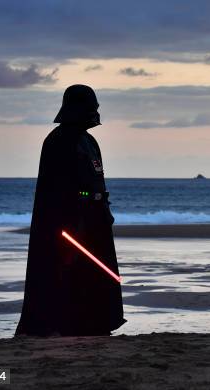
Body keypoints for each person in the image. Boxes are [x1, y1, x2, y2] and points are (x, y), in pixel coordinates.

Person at [16, 85, 125, 336]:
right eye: (91, 106)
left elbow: (96, 180)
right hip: (69, 223)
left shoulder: (89, 142)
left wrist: (101, 211)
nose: (96, 111)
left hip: (95, 219)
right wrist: (74, 218)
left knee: (96, 273)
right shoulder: (58, 141)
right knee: (67, 272)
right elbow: (57, 190)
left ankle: (96, 322)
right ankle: (63, 324)